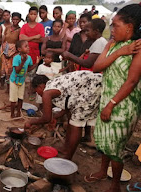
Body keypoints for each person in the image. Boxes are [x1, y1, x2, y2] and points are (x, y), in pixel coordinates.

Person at [84, 5, 141, 192]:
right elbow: (97, 67)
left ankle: (115, 185)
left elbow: (131, 81)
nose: (112, 30)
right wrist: (118, 51)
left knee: (116, 148)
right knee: (106, 142)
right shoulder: (114, 44)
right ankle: (102, 171)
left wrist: (111, 104)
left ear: (129, 27)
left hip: (123, 106)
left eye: (116, 26)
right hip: (107, 100)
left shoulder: (139, 49)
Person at [25, 71, 103, 160]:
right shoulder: (53, 84)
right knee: (71, 118)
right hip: (90, 85)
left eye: (36, 91)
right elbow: (67, 107)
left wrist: (31, 122)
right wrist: (54, 117)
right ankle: (66, 148)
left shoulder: (47, 92)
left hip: (92, 87)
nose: (38, 94)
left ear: (40, 86)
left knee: (76, 124)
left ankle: (67, 159)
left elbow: (46, 118)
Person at [10, 40, 36, 118]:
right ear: (19, 49)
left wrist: (36, 63)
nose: (28, 48)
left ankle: (18, 112)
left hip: (22, 81)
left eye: (28, 46)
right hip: (14, 81)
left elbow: (29, 68)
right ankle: (12, 114)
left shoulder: (29, 58)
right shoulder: (16, 58)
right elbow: (17, 70)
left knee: (20, 97)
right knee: (13, 99)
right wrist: (22, 62)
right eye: (26, 46)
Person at [0, 12, 21, 92]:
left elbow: (19, 42)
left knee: (11, 70)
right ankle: (5, 86)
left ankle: (10, 87)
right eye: (14, 19)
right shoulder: (7, 28)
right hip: (5, 49)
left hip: (14, 52)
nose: (15, 21)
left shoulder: (20, 30)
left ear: (19, 20)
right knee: (4, 70)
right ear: (11, 19)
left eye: (17, 19)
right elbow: (3, 39)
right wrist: (4, 50)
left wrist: (12, 52)